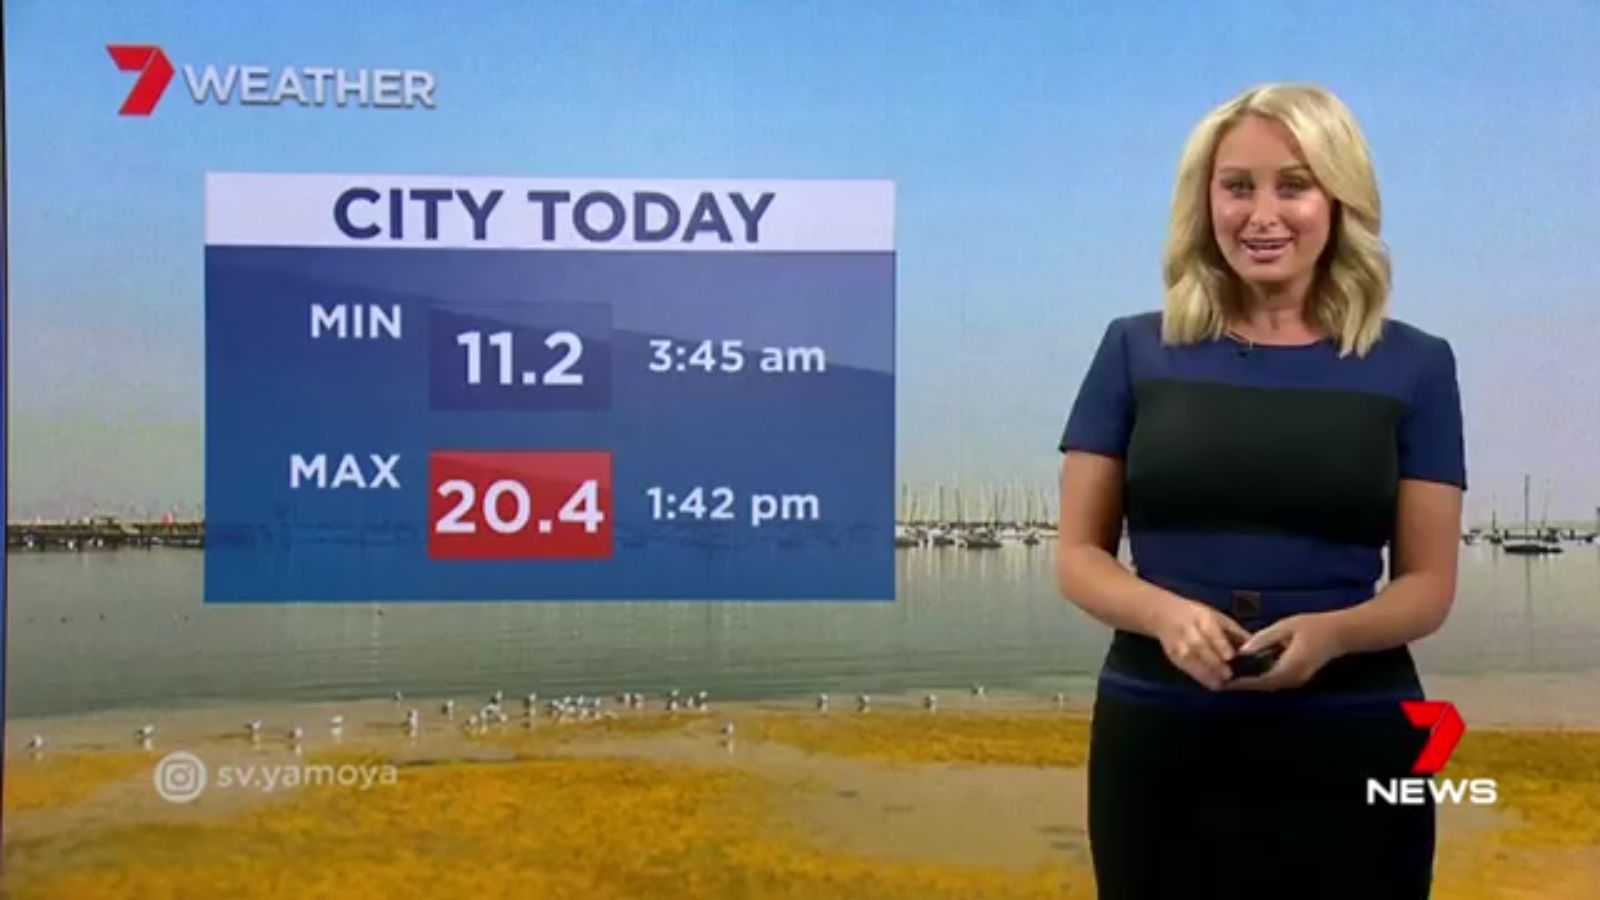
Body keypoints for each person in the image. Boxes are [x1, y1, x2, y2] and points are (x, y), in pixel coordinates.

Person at [1055, 83, 1465, 899]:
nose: (1262, 215)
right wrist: (1164, 617)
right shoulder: (1133, 350)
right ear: (1204, 202)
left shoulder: (1417, 365)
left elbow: (1427, 586)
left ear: (1339, 201)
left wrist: (1334, 634)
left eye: (1295, 186)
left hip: (1355, 729)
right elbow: (1077, 557)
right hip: (1160, 732)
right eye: (1237, 187)